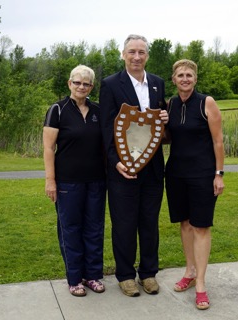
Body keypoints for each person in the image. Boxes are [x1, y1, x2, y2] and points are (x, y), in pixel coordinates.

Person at [99, 34, 168, 297]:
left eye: (141, 52)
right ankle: (126, 275)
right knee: (124, 222)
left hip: (152, 168)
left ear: (147, 55)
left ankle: (148, 273)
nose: (137, 57)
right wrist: (114, 162)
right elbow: (106, 128)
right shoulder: (110, 84)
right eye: (132, 52)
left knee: (149, 221)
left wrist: (164, 117)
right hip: (123, 168)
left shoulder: (157, 84)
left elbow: (157, 125)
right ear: (123, 54)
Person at [165, 59, 225, 310]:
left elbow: (218, 141)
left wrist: (219, 173)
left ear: (195, 79)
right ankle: (189, 272)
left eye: (189, 75)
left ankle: (200, 283)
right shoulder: (170, 104)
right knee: (186, 224)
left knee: (201, 226)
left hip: (202, 175)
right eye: (180, 75)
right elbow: (167, 138)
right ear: (174, 79)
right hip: (176, 174)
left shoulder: (206, 102)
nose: (185, 78)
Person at [43, 65, 106, 297]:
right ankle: (74, 279)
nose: (81, 87)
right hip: (67, 182)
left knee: (94, 229)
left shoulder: (98, 110)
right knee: (70, 229)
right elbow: (49, 148)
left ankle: (92, 276)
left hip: (97, 181)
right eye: (77, 82)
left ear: (91, 87)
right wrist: (51, 180)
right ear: (69, 83)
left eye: (86, 83)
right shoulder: (57, 110)